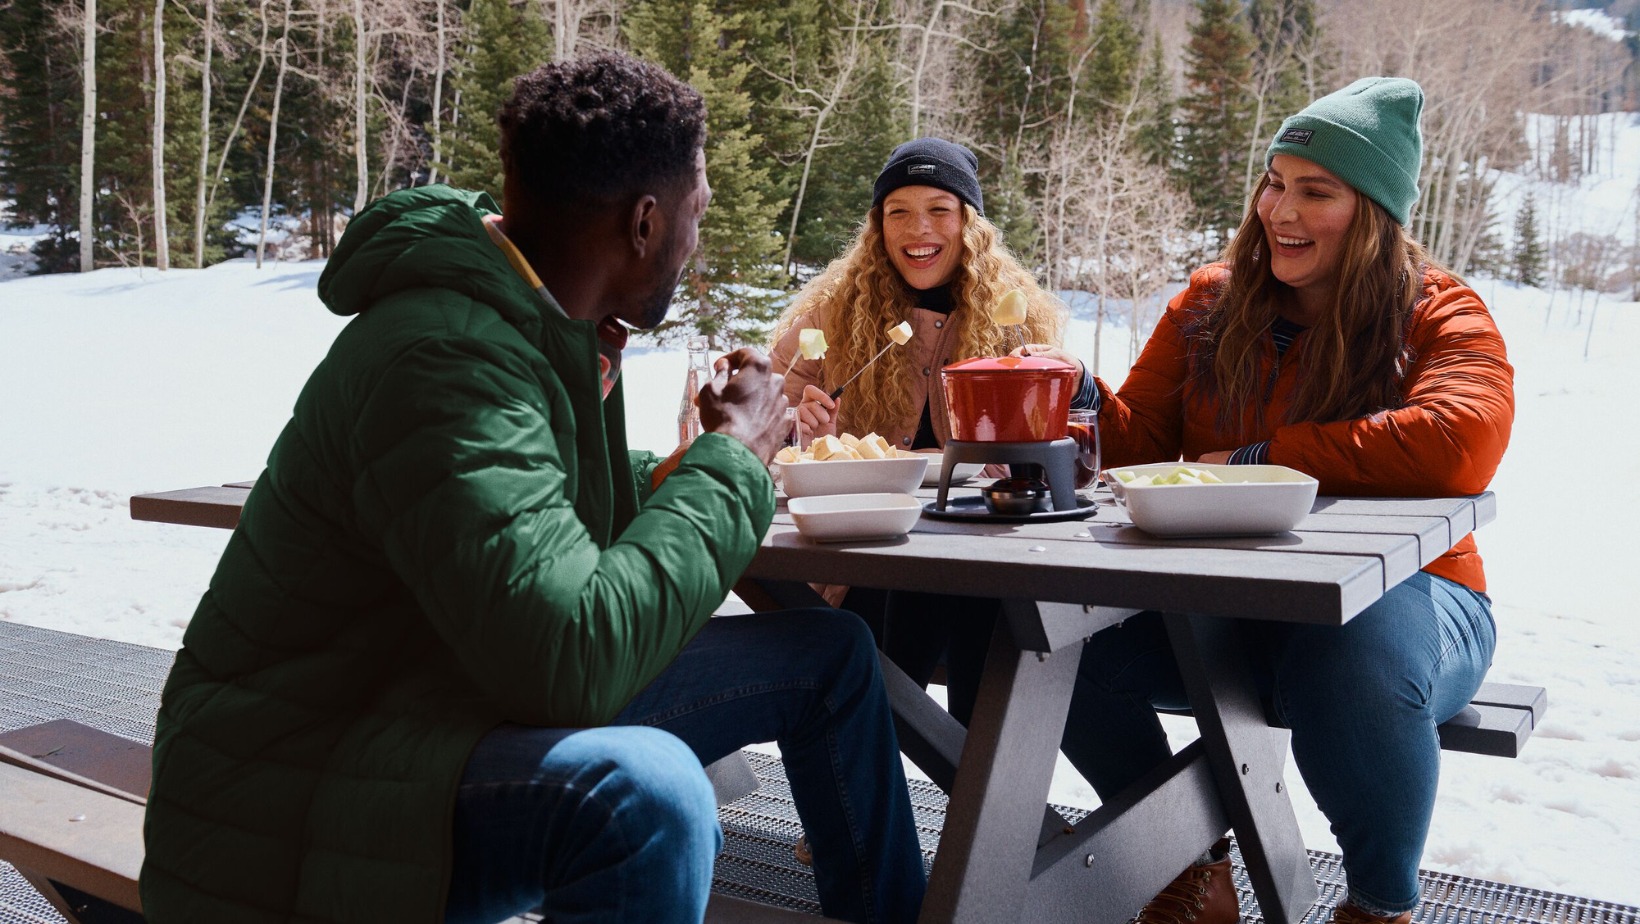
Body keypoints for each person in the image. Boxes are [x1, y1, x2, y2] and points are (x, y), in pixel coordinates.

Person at [139, 53, 925, 924]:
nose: (696, 242)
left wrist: (689, 464)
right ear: (644, 222)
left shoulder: (538, 321)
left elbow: (530, 518)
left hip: (441, 702)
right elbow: (570, 661)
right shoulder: (444, 357)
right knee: (647, 799)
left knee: (829, 656)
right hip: (306, 778)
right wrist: (731, 460)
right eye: (697, 214)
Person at [1062, 77, 1513, 924]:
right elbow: (1141, 442)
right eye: (1275, 183)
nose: (1282, 210)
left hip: (1417, 598)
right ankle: (1186, 865)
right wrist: (1081, 395)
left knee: (1349, 651)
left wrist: (1266, 459)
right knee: (1048, 640)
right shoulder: (1209, 303)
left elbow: (1464, 436)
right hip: (1222, 602)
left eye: (1317, 191)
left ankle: (1378, 908)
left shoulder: (1436, 310)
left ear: (1372, 212)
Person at [768, 137, 1096, 725]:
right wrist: (807, 432)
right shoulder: (832, 314)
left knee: (987, 608)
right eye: (898, 211)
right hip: (866, 556)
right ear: (878, 227)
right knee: (901, 596)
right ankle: (901, 757)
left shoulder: (1015, 318)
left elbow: (1049, 452)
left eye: (939, 209)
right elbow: (766, 424)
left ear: (969, 222)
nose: (918, 229)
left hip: (988, 554)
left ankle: (972, 770)